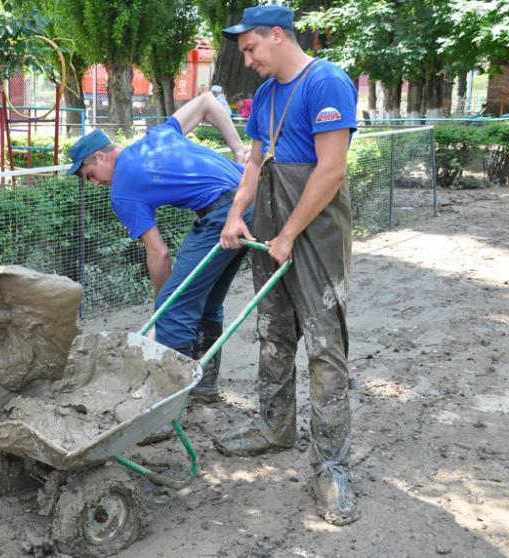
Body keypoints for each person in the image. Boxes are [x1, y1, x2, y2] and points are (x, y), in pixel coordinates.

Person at [217, 5, 359, 526]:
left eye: (252, 48)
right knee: (273, 333)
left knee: (325, 348)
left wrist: (289, 234)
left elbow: (332, 170)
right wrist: (236, 215)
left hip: (314, 235)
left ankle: (333, 468)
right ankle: (274, 428)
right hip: (272, 225)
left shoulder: (327, 83)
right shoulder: (267, 96)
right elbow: (255, 160)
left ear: (277, 36)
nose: (248, 59)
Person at [67, 92, 251, 403]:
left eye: (90, 176)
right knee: (205, 301)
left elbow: (159, 253)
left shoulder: (122, 191)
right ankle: (204, 390)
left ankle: (167, 409)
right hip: (252, 197)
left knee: (174, 309)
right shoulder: (158, 136)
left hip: (223, 214)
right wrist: (238, 149)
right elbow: (207, 101)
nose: (95, 184)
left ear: (101, 157)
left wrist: (161, 306)